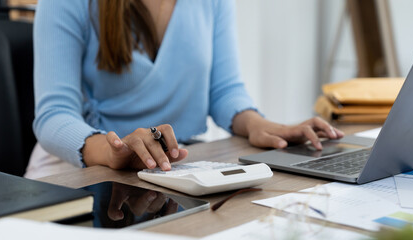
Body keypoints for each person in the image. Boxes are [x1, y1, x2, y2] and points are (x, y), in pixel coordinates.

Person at [25, 0, 344, 179]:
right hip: (81, 166)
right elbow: (54, 116)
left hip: (173, 167)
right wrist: (113, 152)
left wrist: (262, 126)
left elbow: (224, 91)